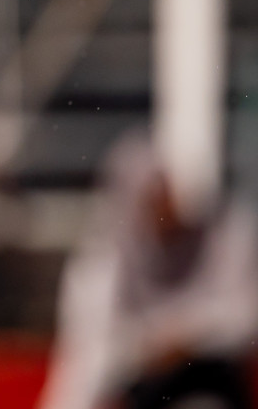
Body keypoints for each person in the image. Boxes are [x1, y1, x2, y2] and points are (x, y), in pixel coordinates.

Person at [37, 135, 258, 409]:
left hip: (212, 383)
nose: (165, 207)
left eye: (167, 192)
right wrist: (147, 350)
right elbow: (87, 364)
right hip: (145, 389)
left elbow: (245, 318)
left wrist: (183, 339)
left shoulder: (223, 235)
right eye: (151, 197)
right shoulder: (103, 267)